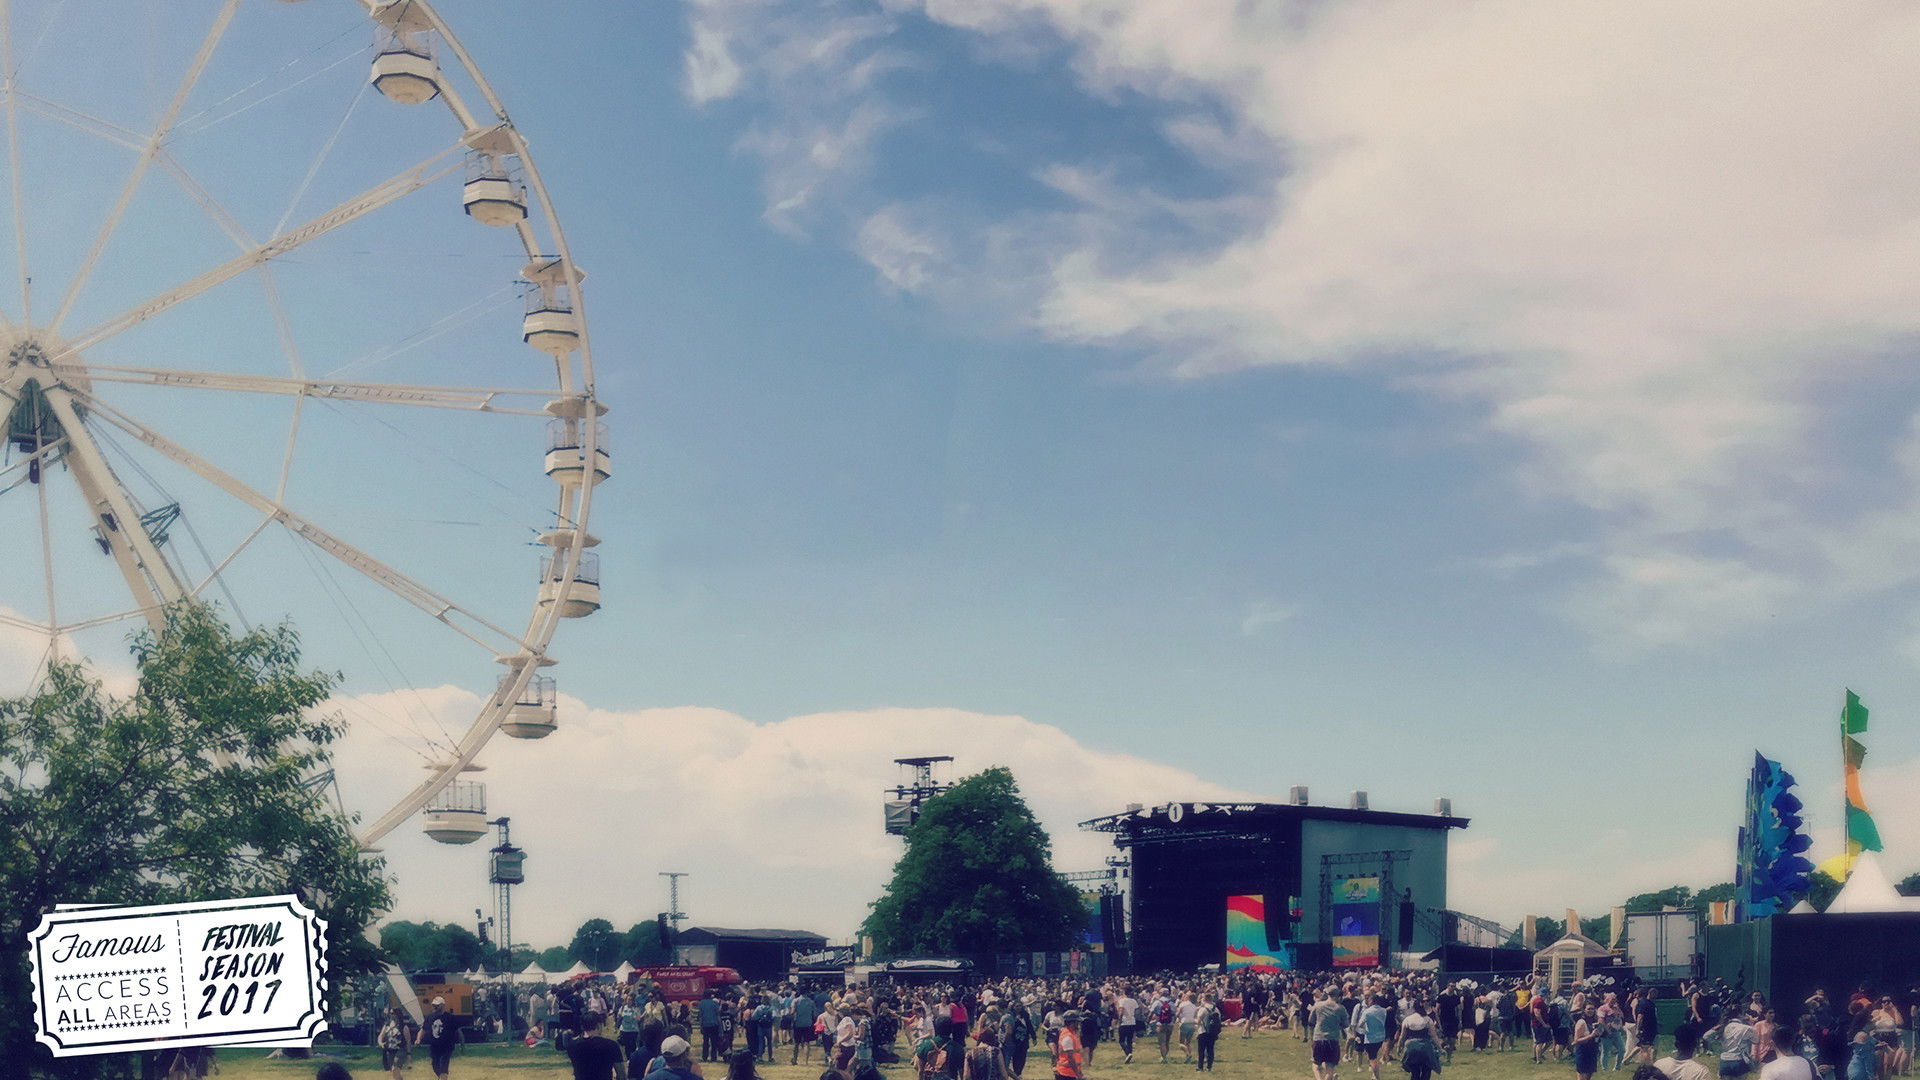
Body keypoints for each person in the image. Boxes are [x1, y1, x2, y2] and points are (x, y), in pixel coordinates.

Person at [417, 997, 460, 1080]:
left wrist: (461, 1044)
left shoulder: (450, 1017)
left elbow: (457, 1031)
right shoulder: (429, 1017)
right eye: (433, 1005)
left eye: (437, 1005)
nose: (434, 1007)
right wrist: (418, 1039)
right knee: (435, 1065)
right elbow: (423, 1029)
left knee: (443, 1065)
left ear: (443, 1005)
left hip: (447, 1047)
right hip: (434, 1046)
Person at [1400, 1002, 1443, 1080]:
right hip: (1425, 1048)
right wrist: (1440, 1048)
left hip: (1411, 1047)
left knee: (1415, 1072)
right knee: (1426, 1071)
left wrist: (1399, 1047)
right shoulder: (1427, 1019)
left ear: (1414, 1008)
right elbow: (1434, 1036)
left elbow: (1402, 1036)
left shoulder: (1407, 1019)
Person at [1314, 989, 1350, 1080]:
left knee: (1316, 1064)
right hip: (1333, 1039)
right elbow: (1346, 1024)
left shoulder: (1318, 1005)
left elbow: (1311, 1020)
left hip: (1319, 1037)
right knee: (1330, 1069)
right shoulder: (1341, 1008)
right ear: (1337, 996)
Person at [378, 1008, 410, 1080]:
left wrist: (409, 1054)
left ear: (398, 1014)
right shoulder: (387, 1024)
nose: (392, 1015)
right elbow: (381, 1035)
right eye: (391, 1013)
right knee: (394, 1073)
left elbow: (408, 1041)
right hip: (389, 1050)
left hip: (400, 1050)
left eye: (393, 1013)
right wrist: (380, 1043)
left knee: (394, 1069)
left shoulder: (403, 1026)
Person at [1195, 994, 1223, 1072]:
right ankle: (1209, 1067)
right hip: (1212, 1032)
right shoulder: (1216, 1009)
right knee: (1210, 1049)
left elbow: (1198, 1021)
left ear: (1204, 999)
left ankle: (1200, 1067)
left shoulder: (1203, 1009)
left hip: (1203, 1031)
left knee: (1201, 1050)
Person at [1055, 1011, 1086, 1080]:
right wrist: (1078, 1075)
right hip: (1066, 1074)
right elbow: (1070, 1058)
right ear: (1072, 1023)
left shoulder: (1072, 1034)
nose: (1078, 1024)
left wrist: (1079, 1072)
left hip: (1070, 1073)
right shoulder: (1068, 1037)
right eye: (1077, 1022)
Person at [1574, 1007, 1601, 1080]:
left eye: (1592, 1009)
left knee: (1588, 1076)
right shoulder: (1581, 1022)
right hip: (1583, 1052)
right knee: (1582, 1077)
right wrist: (1590, 1036)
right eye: (1588, 1009)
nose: (1591, 1011)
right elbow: (1576, 1040)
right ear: (1584, 1010)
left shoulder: (1594, 1021)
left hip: (1592, 1051)